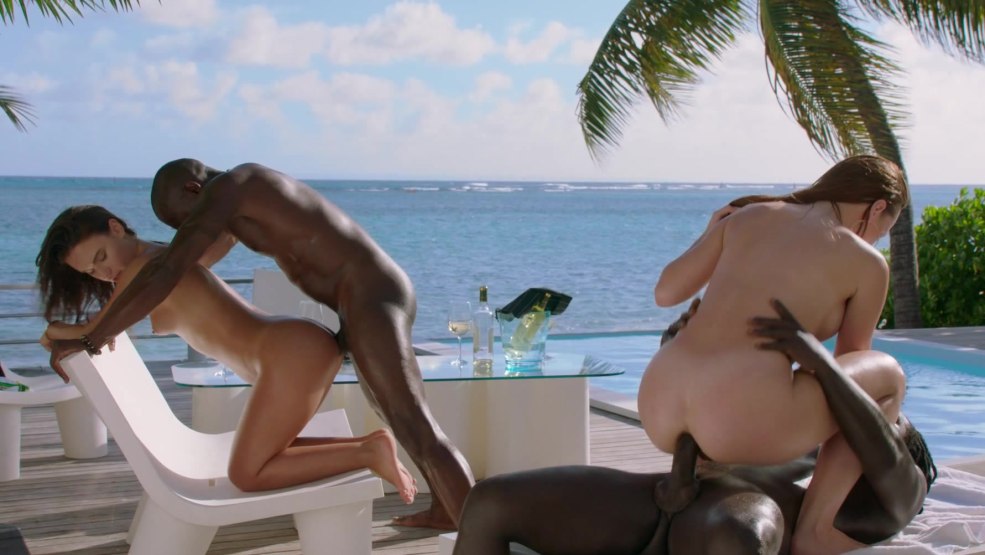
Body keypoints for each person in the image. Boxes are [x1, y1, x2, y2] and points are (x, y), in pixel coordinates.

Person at [45, 160, 473, 529]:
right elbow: (179, 266)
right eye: (91, 272)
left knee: (415, 425)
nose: (193, 231)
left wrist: (82, 337)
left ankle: (476, 532)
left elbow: (166, 270)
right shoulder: (231, 212)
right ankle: (443, 507)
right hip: (330, 320)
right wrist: (88, 330)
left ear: (194, 189)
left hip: (362, 302)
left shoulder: (231, 190)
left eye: (101, 259)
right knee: (397, 419)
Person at [451, 298, 937, 555]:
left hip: (723, 525)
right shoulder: (807, 460)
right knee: (489, 502)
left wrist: (817, 358)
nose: (875, 413)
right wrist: (680, 351)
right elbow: (706, 431)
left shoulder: (901, 494)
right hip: (657, 502)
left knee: (739, 538)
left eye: (890, 416)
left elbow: (876, 439)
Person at [36, 205, 418, 501]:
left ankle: (369, 452)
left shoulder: (144, 267)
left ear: (116, 228)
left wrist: (53, 330)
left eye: (101, 256)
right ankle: (369, 447)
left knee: (247, 474)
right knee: (263, 458)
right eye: (90, 272)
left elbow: (93, 330)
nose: (103, 273)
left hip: (291, 355)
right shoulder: (161, 258)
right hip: (293, 350)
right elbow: (106, 328)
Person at [641, 154, 916, 553]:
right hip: (735, 419)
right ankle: (816, 529)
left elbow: (665, 293)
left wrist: (710, 234)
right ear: (876, 209)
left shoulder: (748, 216)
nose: (876, 240)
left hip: (658, 405)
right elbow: (848, 383)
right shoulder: (865, 261)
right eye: (883, 230)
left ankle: (706, 469)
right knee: (886, 377)